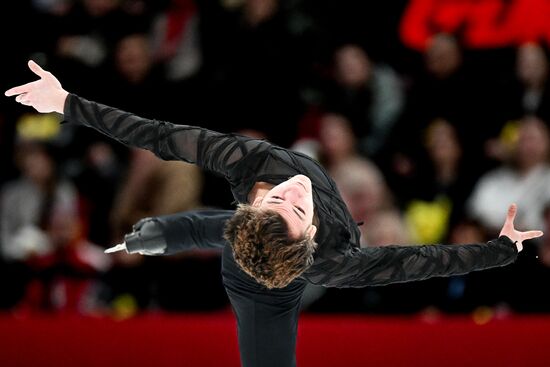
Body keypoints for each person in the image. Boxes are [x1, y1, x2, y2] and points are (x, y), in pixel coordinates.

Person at [5, 60, 543, 367]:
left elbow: (158, 136)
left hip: (250, 243)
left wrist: (68, 104)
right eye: (296, 205)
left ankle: (144, 239)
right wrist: (500, 249)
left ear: (253, 201)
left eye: (278, 197)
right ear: (312, 233)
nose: (295, 188)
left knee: (198, 225)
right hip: (256, 284)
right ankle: (148, 240)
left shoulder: (246, 164)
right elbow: (420, 261)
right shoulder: (333, 257)